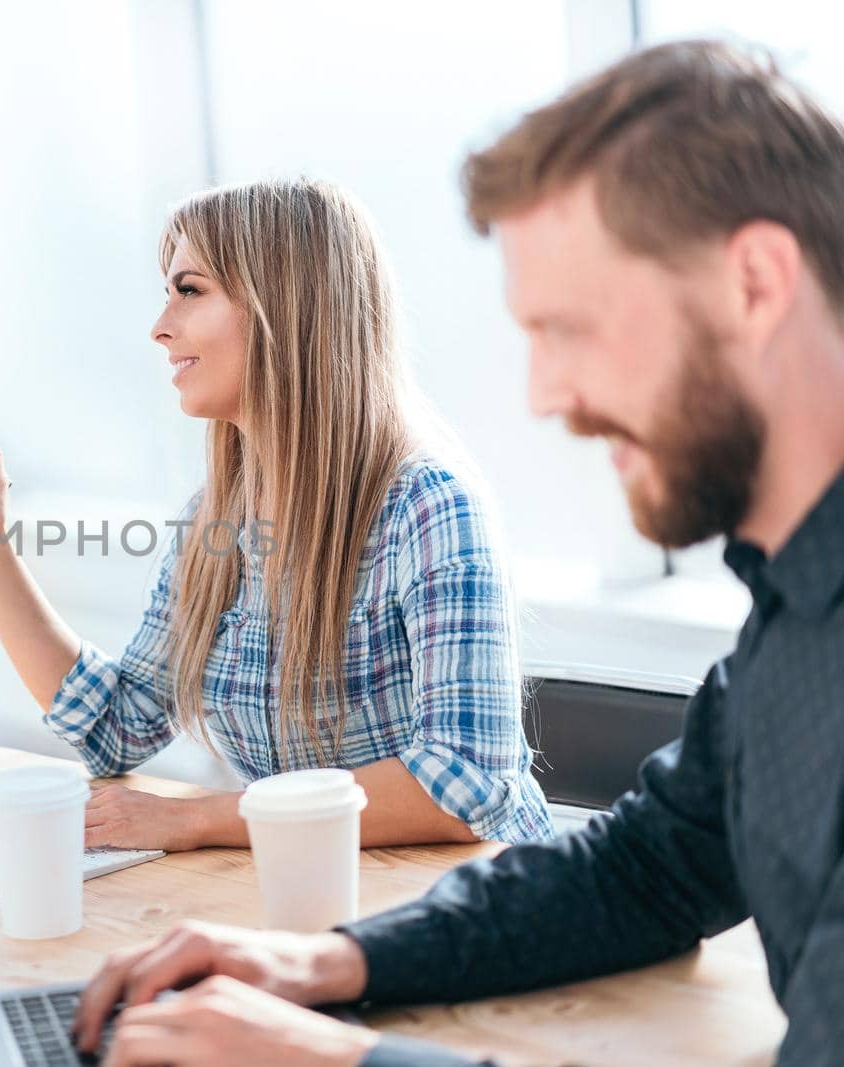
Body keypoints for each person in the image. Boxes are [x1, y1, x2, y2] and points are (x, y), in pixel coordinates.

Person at [69, 39, 844, 1067]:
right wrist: (324, 964)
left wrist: (332, 1058)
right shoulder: (794, 607)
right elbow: (649, 868)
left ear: (753, 281)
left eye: (573, 327)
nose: (544, 396)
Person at [0, 178, 552, 852]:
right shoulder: (215, 524)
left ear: (284, 307)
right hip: (315, 891)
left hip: (471, 908)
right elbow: (117, 726)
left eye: (188, 291)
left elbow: (464, 787)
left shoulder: (429, 507)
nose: (160, 327)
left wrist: (198, 820)